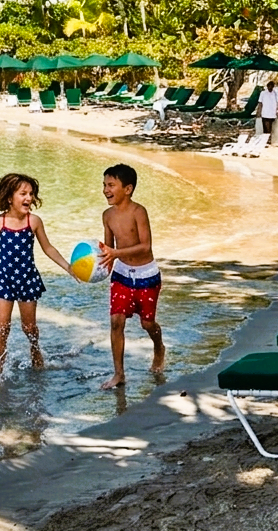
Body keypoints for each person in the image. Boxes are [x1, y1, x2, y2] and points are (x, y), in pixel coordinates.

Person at [0, 172, 72, 373]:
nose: (28, 198)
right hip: (3, 279)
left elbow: (48, 248)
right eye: (23, 193)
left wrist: (68, 267)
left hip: (27, 280)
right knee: (2, 330)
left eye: (31, 194)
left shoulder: (34, 221)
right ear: (9, 197)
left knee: (29, 328)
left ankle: (35, 352)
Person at [99, 164, 164, 389]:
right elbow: (108, 247)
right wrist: (97, 266)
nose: (106, 190)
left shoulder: (139, 211)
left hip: (146, 275)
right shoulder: (107, 215)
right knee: (116, 322)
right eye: (104, 185)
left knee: (147, 324)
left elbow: (145, 246)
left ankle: (158, 347)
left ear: (127, 189)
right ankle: (119, 374)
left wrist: (115, 253)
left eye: (111, 185)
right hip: (122, 275)